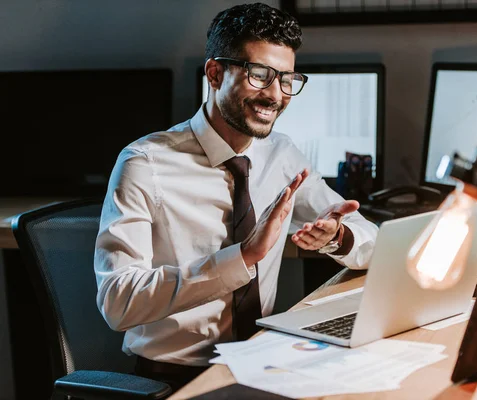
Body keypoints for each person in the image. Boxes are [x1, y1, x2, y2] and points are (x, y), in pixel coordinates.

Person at [94, 2, 378, 391]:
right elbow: (117, 302)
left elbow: (368, 238)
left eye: (287, 79)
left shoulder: (281, 153)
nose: (275, 95)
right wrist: (242, 258)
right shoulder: (145, 163)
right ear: (214, 73)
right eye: (259, 76)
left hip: (264, 360)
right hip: (176, 378)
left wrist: (337, 236)